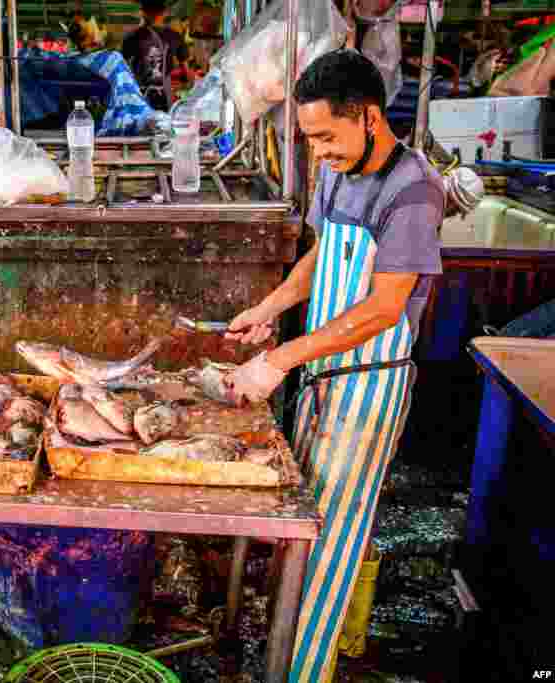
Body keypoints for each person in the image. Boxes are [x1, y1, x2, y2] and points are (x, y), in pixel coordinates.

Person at [223, 50, 444, 682]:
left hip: (369, 388)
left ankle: (304, 670)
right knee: (301, 519)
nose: (318, 152)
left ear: (370, 118)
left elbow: (382, 307)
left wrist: (280, 360)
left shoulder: (414, 189)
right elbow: (321, 258)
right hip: (323, 377)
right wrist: (267, 309)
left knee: (335, 533)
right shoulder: (337, 172)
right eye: (310, 139)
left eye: (326, 137)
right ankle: (278, 646)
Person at [120, 0, 191, 111]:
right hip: (165, 97)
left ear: (142, 13)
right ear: (164, 13)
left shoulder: (131, 37)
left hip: (139, 96)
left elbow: (123, 71)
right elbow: (186, 73)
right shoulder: (174, 36)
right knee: (163, 124)